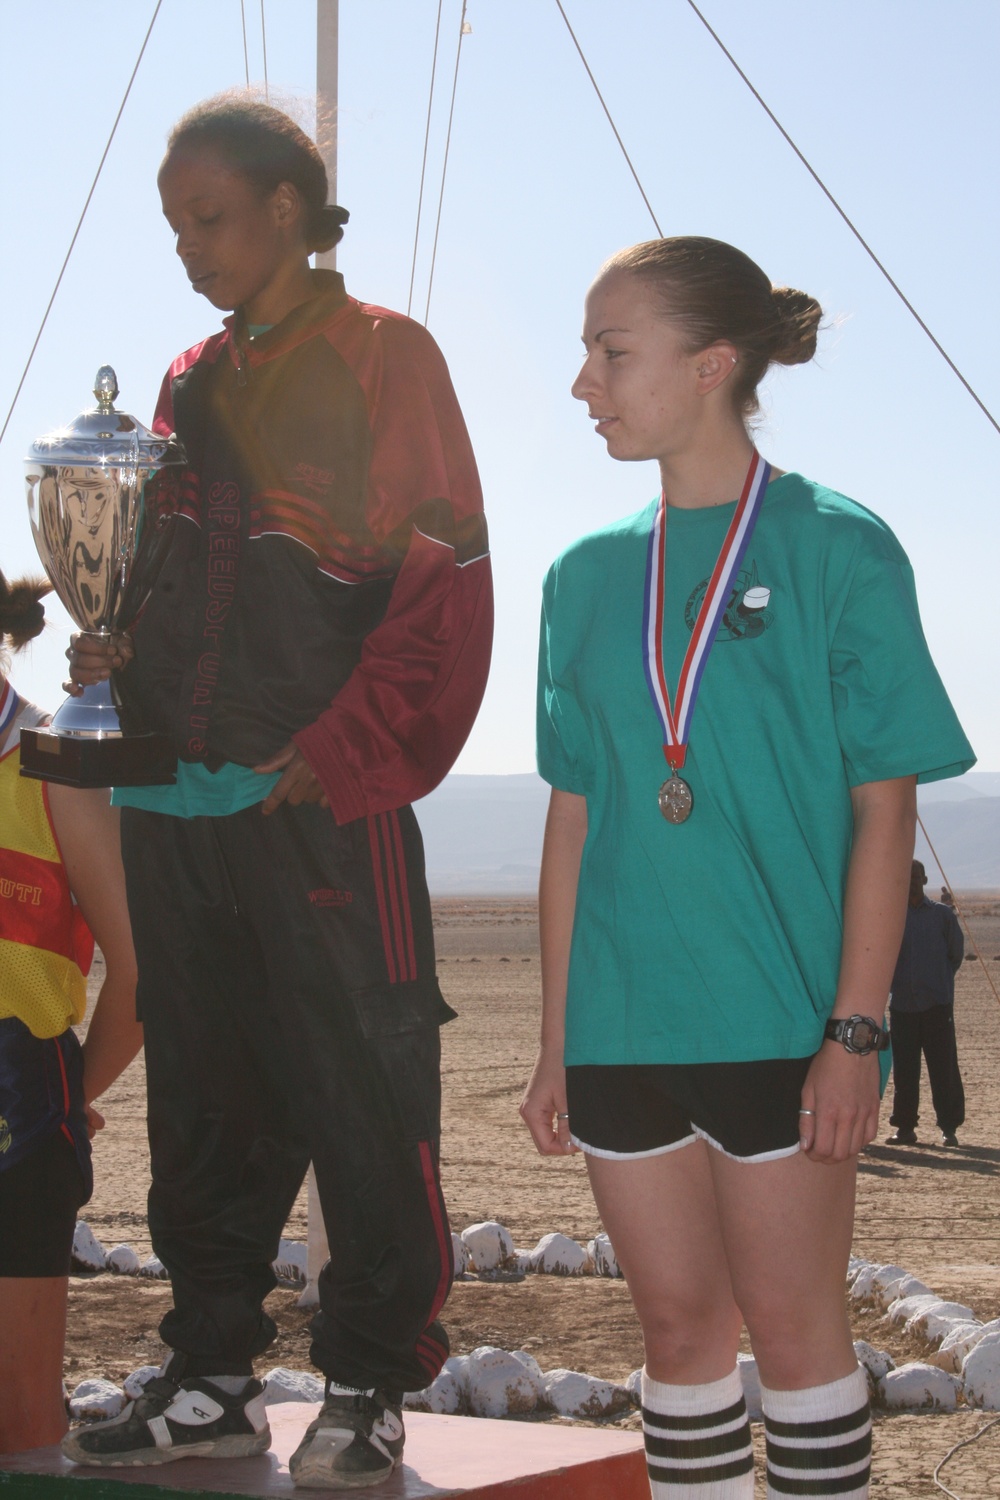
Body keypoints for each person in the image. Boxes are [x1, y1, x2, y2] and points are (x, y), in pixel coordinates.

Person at [60, 94, 491, 1489]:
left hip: (321, 802)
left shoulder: (385, 359)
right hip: (174, 804)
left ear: (288, 211)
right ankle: (213, 1373)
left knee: (361, 1089)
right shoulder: (185, 379)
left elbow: (444, 581)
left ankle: (368, 1380)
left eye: (211, 218)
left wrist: (346, 750)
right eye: (175, 226)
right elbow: (177, 577)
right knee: (204, 1103)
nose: (189, 248)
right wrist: (118, 647)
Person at [520, 237, 974, 1500]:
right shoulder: (582, 575)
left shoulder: (840, 547)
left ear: (712, 365)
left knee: (795, 1339)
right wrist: (558, 1039)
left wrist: (855, 1030)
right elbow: (573, 820)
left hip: (781, 1018)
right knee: (674, 1338)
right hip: (621, 1026)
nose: (582, 384)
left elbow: (886, 814)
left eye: (611, 354)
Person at [0, 571, 140, 1455]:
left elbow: (140, 969)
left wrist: (71, 1096)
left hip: (17, 1127)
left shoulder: (54, 766)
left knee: (19, 1419)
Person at [886, 860, 965, 1147]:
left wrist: (938, 980)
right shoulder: (891, 916)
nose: (912, 882)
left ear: (925, 878)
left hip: (936, 1005)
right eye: (906, 877)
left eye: (916, 877)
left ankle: (949, 1128)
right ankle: (905, 1128)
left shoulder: (942, 915)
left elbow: (955, 955)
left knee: (943, 1068)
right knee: (905, 1071)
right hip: (903, 1005)